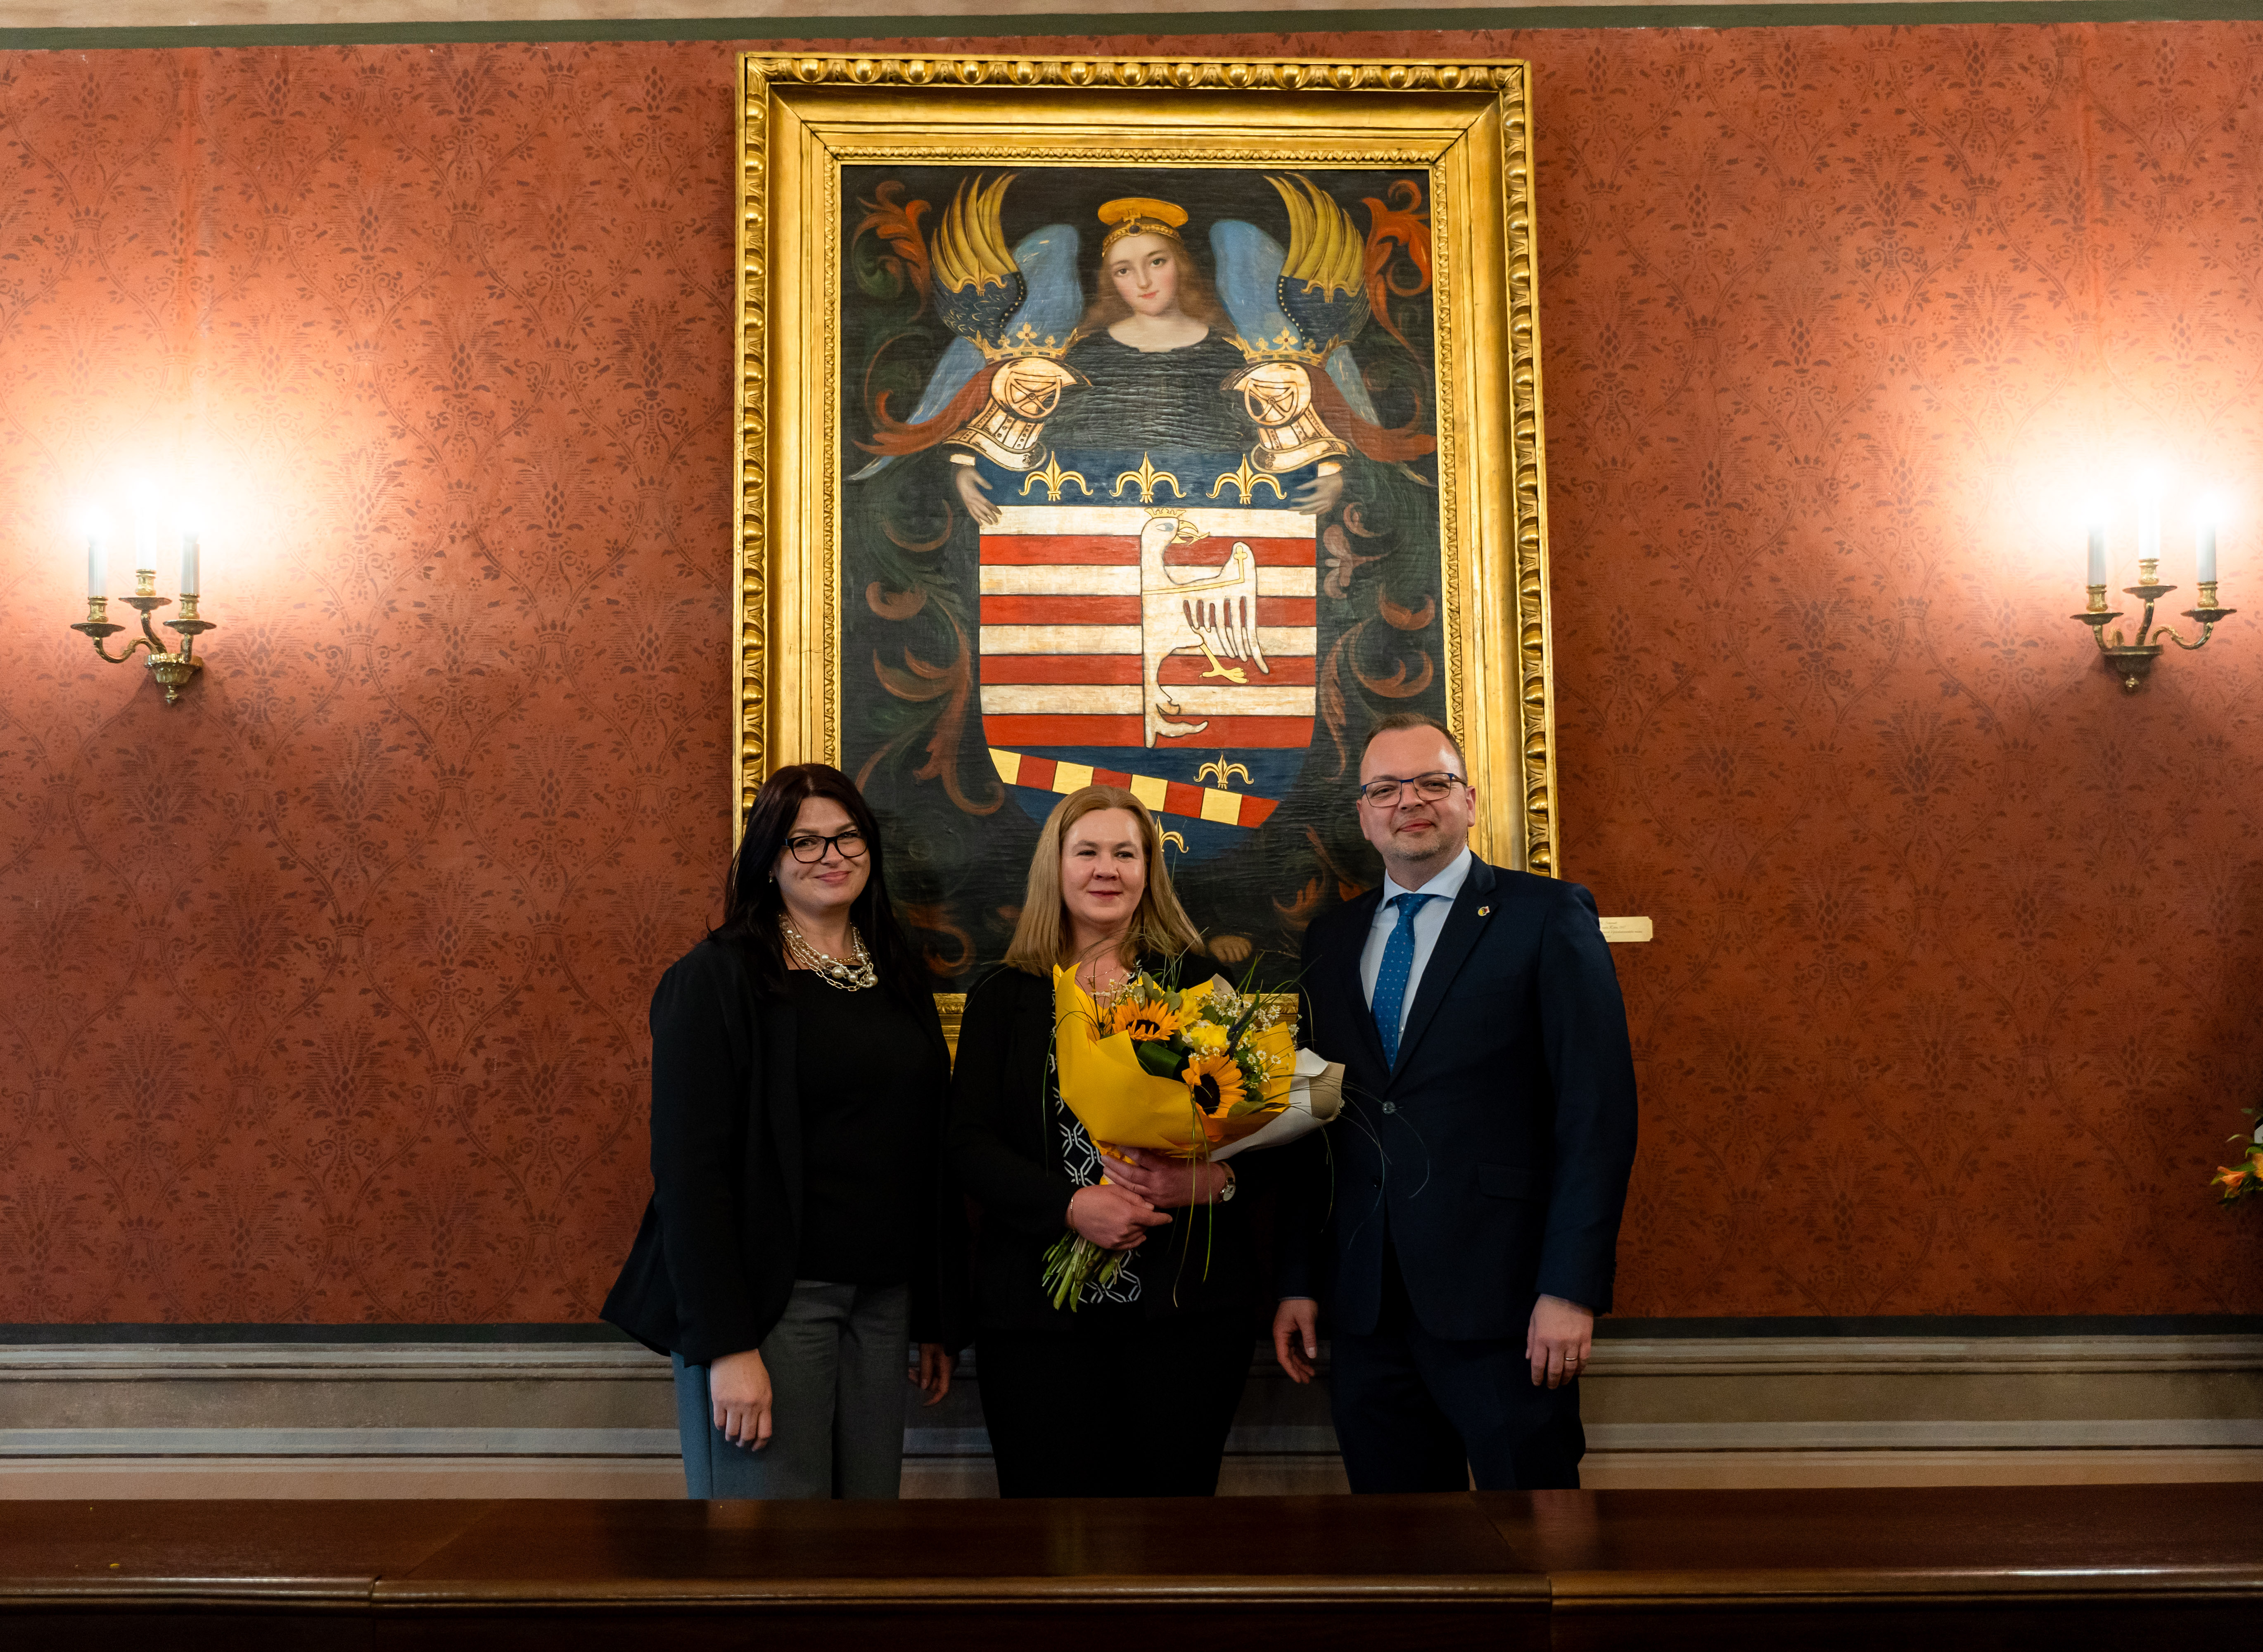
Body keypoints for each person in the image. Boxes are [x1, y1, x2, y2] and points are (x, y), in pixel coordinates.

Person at [1271, 714, 1638, 1491]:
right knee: (1403, 1561)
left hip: (1508, 1309)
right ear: (1365, 816)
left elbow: (1596, 1117)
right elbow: (1315, 1126)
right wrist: (1300, 1280)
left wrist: (1570, 1288)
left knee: (1537, 1548)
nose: (1411, 802)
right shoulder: (1330, 940)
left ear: (1469, 800)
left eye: (1433, 783)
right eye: (1387, 789)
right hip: (1367, 1312)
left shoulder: (1547, 918)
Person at [603, 764, 965, 1498]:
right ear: (768, 859)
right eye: (804, 843)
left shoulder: (896, 978)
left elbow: (922, 1154)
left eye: (846, 838)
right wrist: (728, 1347)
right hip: (771, 1303)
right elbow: (689, 1177)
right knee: (771, 1558)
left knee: (864, 1554)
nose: (830, 856)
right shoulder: (717, 979)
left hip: (883, 1301)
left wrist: (934, 1313)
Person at [948, 784, 1259, 1497]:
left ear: (1150, 870)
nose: (1106, 869)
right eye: (1087, 851)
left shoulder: (1202, 985)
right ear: (1054, 867)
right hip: (1038, 1324)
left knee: (1175, 1535)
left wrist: (1212, 1183)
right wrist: (1069, 1207)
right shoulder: (1006, 996)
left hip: (1186, 1319)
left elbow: (1269, 1130)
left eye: (1126, 853)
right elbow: (968, 1144)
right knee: (1049, 1541)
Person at [952, 195, 1340, 524]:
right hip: (1097, 520)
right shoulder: (1083, 355)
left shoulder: (1231, 354)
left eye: (1157, 262)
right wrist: (967, 468)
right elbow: (1023, 416)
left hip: (1211, 520)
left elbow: (1284, 422)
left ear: (1181, 265)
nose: (1143, 282)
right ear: (1111, 280)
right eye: (1124, 270)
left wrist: (1330, 473)